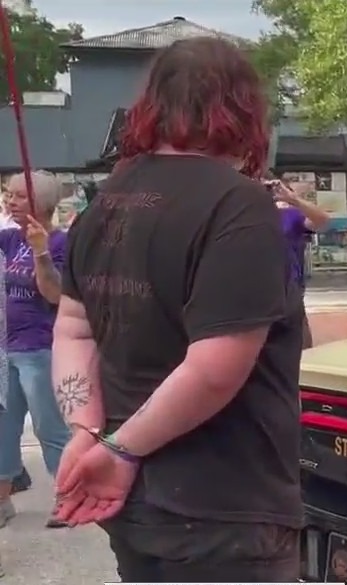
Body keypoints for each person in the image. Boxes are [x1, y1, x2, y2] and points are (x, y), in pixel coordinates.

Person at [50, 37, 304, 582]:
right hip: (223, 505)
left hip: (138, 506)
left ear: (154, 106)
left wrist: (87, 431)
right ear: (241, 109)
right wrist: (115, 449)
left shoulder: (107, 199)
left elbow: (73, 330)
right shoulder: (240, 203)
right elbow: (215, 368)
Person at [0, 170, 71, 528]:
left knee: (50, 427)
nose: (9, 201)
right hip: (6, 349)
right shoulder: (10, 240)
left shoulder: (61, 243)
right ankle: (2, 499)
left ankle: (67, 498)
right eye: (7, 195)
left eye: (18, 196)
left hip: (42, 349)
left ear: (41, 203)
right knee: (2, 425)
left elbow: (55, 295)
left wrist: (41, 252)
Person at [266, 174, 329, 349]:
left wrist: (294, 200)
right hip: (258, 282)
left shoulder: (290, 215)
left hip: (289, 282)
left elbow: (321, 220)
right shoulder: (246, 212)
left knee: (298, 337)